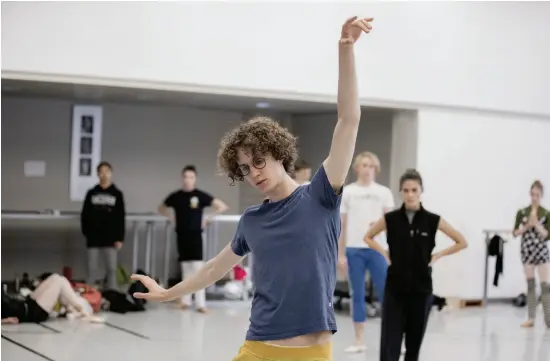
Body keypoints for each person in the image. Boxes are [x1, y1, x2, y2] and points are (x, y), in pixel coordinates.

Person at [132, 16, 373, 361]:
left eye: (259, 161)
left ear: (278, 153)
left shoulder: (320, 194)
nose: (253, 172)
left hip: (311, 352)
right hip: (257, 348)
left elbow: (348, 120)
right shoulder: (253, 220)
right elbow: (215, 268)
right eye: (244, 168)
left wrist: (345, 49)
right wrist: (169, 293)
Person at [364, 169, 468, 361]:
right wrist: (384, 252)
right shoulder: (391, 219)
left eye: (414, 190)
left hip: (421, 290)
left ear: (421, 191)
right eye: (406, 190)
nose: (410, 194)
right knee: (390, 345)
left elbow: (462, 241)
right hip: (395, 290)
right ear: (400, 192)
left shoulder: (432, 220)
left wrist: (438, 255)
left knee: (414, 346)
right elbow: (368, 236)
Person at [338, 151, 394, 353]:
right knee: (357, 294)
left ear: (376, 169)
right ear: (356, 168)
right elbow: (342, 224)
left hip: (378, 249)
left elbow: (392, 223)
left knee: (388, 293)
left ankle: (393, 339)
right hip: (354, 249)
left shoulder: (384, 192)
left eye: (371, 166)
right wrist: (340, 254)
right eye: (364, 165)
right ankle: (359, 339)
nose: (368, 169)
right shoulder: (348, 192)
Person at [159, 164, 228, 313]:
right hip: (181, 236)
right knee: (185, 271)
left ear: (195, 179)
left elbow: (221, 206)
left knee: (199, 270)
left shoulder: (200, 195)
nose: (188, 180)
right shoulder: (176, 196)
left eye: (191, 177)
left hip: (196, 237)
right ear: (182, 178)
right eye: (185, 177)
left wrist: (208, 218)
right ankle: (185, 301)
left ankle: (200, 304)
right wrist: (171, 217)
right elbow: (161, 207)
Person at [81, 161, 126, 290]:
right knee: (91, 269)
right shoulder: (91, 193)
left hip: (111, 237)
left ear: (111, 174)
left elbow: (120, 217)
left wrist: (120, 238)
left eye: (107, 171)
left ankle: (113, 295)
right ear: (98, 174)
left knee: (112, 269)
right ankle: (89, 299)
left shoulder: (117, 194)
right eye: (101, 171)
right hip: (93, 237)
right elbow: (84, 215)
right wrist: (87, 232)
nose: (104, 174)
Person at [513, 180, 550, 328]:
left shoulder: (546, 213)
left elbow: (547, 235)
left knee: (545, 285)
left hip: (541, 251)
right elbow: (515, 232)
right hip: (527, 250)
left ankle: (548, 318)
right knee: (530, 285)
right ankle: (531, 318)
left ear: (541, 196)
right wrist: (527, 225)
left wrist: (536, 224)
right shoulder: (522, 212)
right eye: (532, 194)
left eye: (538, 195)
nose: (534, 197)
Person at [2, 274, 94, 324]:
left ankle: (73, 309)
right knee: (60, 281)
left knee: (55, 277)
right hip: (34, 312)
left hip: (28, 304)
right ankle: (82, 310)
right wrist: (6, 320)